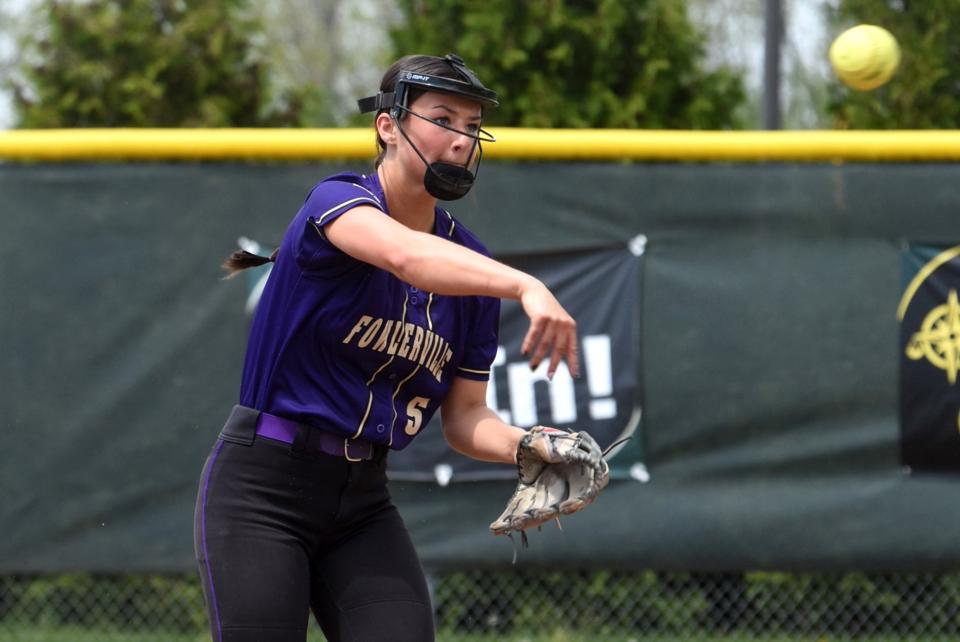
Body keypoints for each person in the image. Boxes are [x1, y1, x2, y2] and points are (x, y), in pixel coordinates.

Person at [193, 53, 579, 642]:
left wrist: (527, 445)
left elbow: (466, 418)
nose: (461, 140)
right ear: (388, 125)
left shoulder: (470, 268)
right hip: (263, 488)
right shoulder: (335, 201)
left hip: (363, 503)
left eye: (473, 127)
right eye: (444, 118)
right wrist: (525, 284)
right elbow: (405, 258)